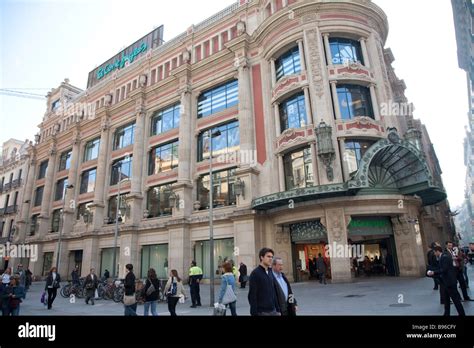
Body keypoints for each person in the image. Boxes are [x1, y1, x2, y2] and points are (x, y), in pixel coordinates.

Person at [427, 246, 465, 316]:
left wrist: (433, 272)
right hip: (445, 282)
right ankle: (446, 313)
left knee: (455, 300)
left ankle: (462, 314)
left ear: (438, 251)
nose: (435, 254)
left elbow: (444, 269)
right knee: (446, 300)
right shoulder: (442, 257)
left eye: (435, 252)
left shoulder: (445, 257)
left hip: (450, 282)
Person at [248, 247, 280, 316]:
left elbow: (274, 292)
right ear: (261, 257)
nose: (271, 258)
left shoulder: (271, 272)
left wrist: (278, 309)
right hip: (262, 312)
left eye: (272, 257)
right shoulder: (255, 273)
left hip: (273, 311)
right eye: (268, 256)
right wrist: (254, 313)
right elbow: (252, 296)